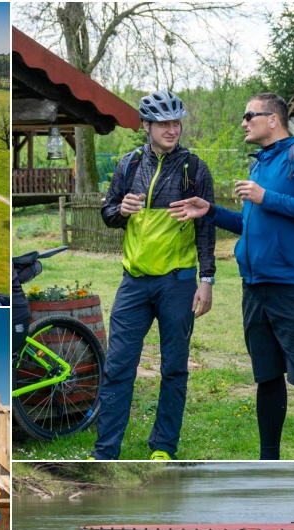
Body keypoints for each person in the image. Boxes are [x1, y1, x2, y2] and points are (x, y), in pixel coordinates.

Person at [175, 92, 294, 460]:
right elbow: (250, 222)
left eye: (250, 115)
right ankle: (269, 460)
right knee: (266, 378)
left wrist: (266, 197)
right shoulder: (260, 162)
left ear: (273, 119)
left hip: (292, 285)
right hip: (255, 287)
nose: (244, 122)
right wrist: (210, 210)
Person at [92, 89, 216, 460]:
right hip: (134, 283)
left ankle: (163, 446)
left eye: (176, 122)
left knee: (174, 368)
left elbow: (206, 227)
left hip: (177, 282)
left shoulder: (194, 168)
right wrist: (122, 210)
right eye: (164, 123)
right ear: (146, 126)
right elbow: (109, 213)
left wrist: (206, 280)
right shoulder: (128, 164)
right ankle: (105, 450)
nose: (172, 129)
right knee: (117, 368)